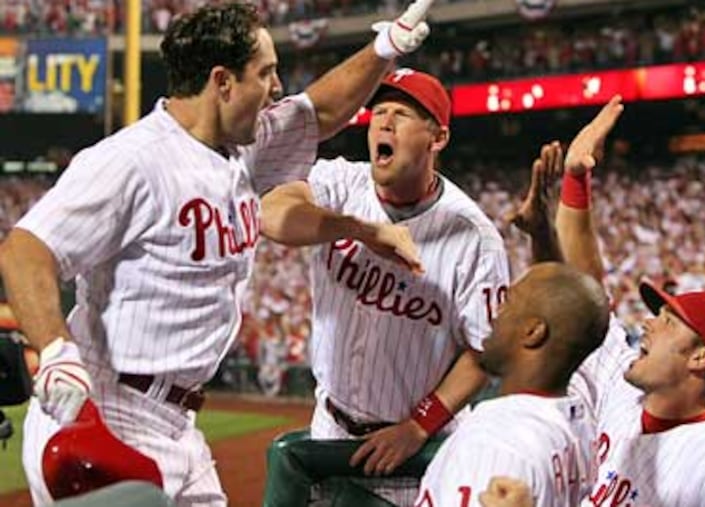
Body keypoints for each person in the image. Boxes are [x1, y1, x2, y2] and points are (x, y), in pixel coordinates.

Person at [0, 1, 436, 504]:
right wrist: (55, 351)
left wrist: (387, 46)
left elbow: (321, 111)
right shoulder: (131, 161)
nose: (276, 87)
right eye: (266, 73)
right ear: (222, 81)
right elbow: (25, 248)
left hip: (178, 424)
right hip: (106, 408)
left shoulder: (242, 145)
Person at [260, 68, 510, 504]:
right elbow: (273, 212)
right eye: (378, 111)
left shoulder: (474, 236)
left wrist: (418, 427)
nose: (384, 122)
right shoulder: (343, 184)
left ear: (438, 138)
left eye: (402, 114)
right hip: (330, 429)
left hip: (415, 459)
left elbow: (486, 350)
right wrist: (358, 229)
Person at [556, 97, 705, 506]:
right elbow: (586, 289)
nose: (647, 324)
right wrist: (575, 181)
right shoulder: (625, 395)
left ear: (701, 356)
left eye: (668, 321)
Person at [413, 140, 610, 507]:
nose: (494, 312)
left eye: (508, 302)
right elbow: (567, 309)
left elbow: (562, 307)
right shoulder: (576, 415)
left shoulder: (494, 444)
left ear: (533, 332)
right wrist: (542, 232)